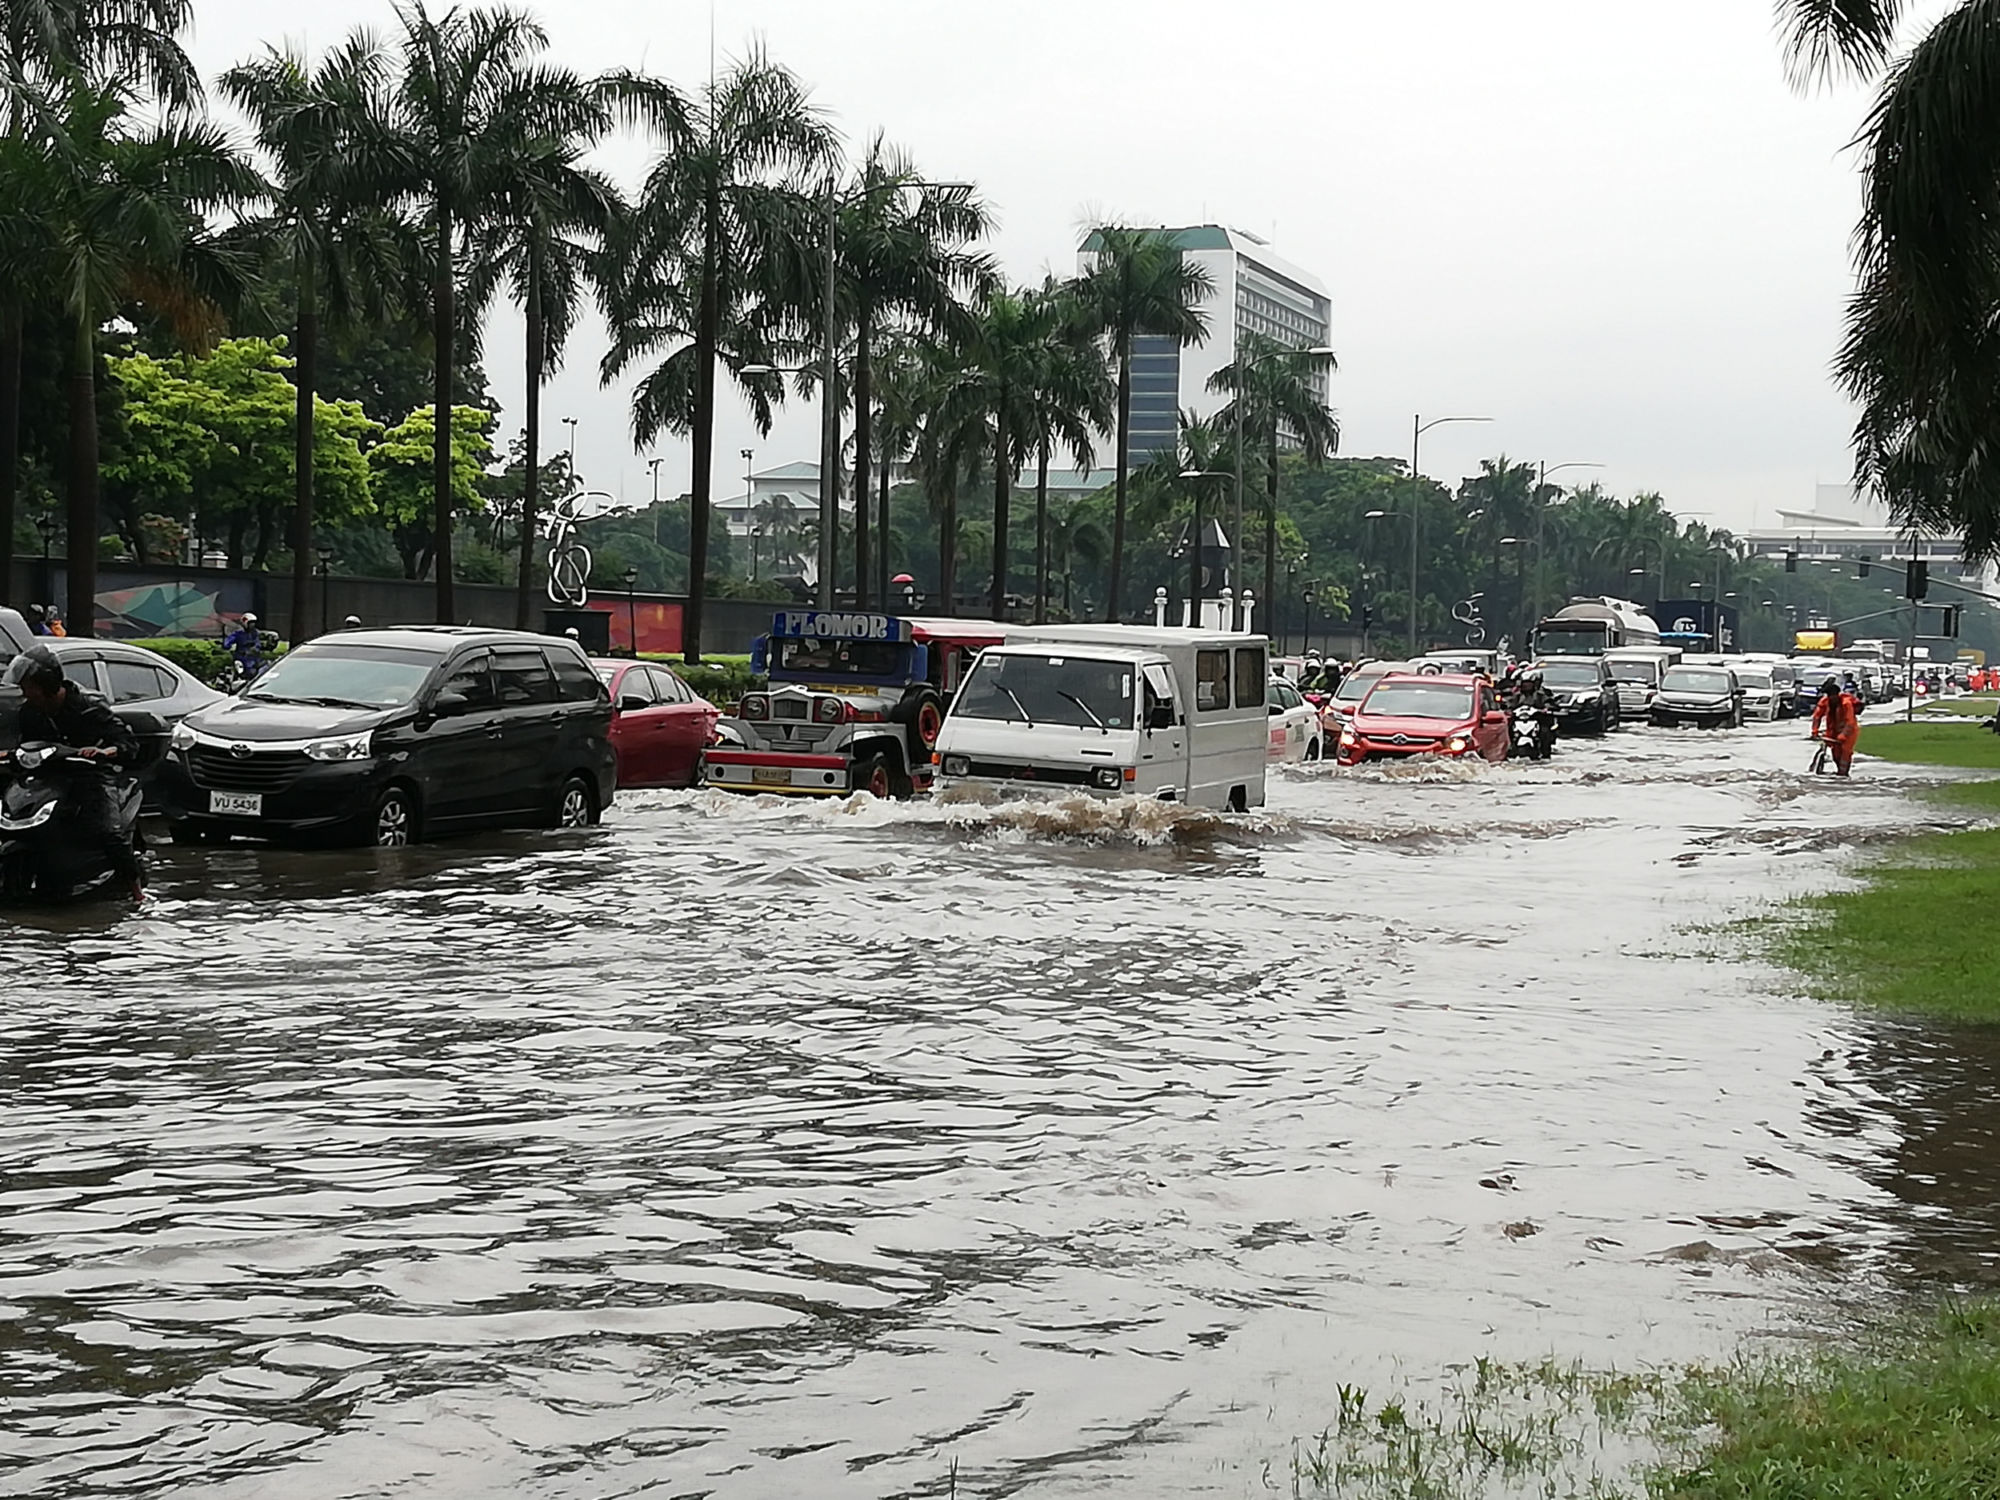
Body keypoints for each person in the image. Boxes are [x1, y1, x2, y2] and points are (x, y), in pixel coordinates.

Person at [5, 645, 145, 899]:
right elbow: (26, 746)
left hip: (90, 774)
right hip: (48, 775)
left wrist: (103, 752)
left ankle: (137, 892)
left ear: (45, 683)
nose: (25, 692)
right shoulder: (30, 712)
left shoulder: (88, 707)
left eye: (29, 686)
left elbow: (127, 743)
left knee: (108, 832)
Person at [1811, 676, 1862, 778]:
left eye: (1832, 696)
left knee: (1845, 754)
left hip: (1849, 733)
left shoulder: (1846, 704)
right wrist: (1814, 730)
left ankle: (1843, 775)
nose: (1830, 698)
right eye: (1829, 696)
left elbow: (1850, 722)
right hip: (1833, 730)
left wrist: (1843, 735)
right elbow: (1817, 716)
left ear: (1837, 695)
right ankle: (1838, 774)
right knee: (1835, 754)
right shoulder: (1825, 701)